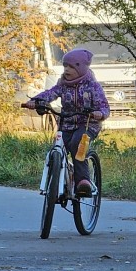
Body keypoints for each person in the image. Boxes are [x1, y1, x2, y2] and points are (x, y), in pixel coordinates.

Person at [21, 48, 110, 196]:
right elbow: (50, 93)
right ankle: (57, 180)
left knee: (77, 143)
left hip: (87, 124)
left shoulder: (93, 86)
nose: (67, 70)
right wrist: (36, 101)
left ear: (81, 68)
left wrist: (99, 113)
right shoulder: (63, 85)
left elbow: (104, 107)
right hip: (66, 124)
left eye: (71, 67)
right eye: (65, 66)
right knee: (57, 149)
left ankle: (83, 181)